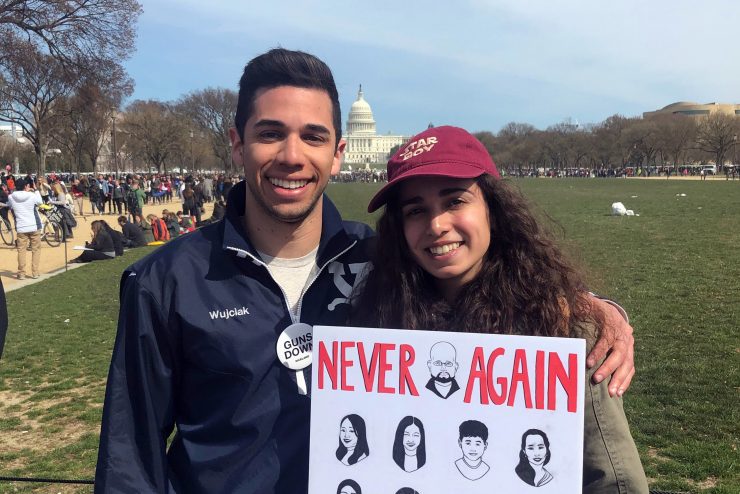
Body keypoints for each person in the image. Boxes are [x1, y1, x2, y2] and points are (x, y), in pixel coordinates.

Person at [95, 49, 636, 493]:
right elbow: (129, 458)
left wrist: (593, 310)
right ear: (237, 143)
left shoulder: (381, 260)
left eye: (312, 136)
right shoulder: (163, 283)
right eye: (269, 133)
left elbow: (493, 285)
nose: (291, 155)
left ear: (338, 152)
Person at [354, 125, 649, 493]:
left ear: (492, 209)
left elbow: (614, 480)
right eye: (416, 210)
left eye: (455, 201)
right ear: (399, 227)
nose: (437, 225)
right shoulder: (374, 322)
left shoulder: (565, 327)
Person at [7, 178, 42, 279]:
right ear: (25, 186)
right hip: (33, 226)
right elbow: (40, 202)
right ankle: (35, 272)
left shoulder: (11, 197)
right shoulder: (31, 195)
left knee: (21, 251)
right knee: (36, 250)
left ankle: (21, 273)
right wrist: (35, 190)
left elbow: (9, 205)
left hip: (21, 227)